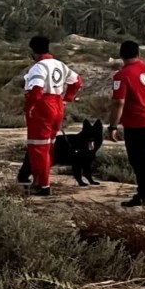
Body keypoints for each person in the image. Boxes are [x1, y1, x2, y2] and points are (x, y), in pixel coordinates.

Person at [108, 40, 145, 207]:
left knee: (137, 160)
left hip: (136, 124)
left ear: (121, 55)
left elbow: (118, 102)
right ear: (138, 53)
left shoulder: (121, 75)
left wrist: (113, 126)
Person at [22, 36, 83, 196]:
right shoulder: (60, 65)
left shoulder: (38, 67)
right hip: (56, 105)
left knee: (38, 148)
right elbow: (77, 82)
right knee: (49, 146)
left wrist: (28, 108)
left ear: (33, 51)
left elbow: (36, 92)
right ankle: (41, 180)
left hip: (43, 107)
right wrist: (66, 100)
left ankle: (42, 185)